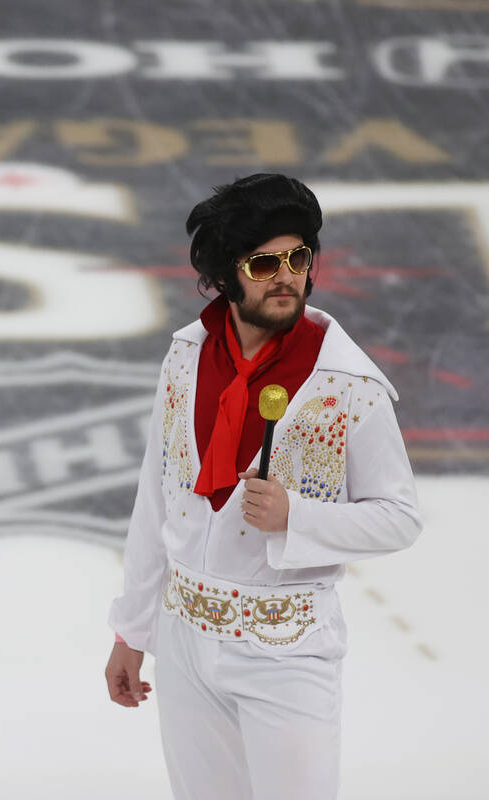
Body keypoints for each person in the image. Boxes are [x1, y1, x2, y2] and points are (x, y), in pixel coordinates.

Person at [104, 173, 421, 800]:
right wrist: (132, 632)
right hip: (185, 637)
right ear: (227, 274)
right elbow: (156, 500)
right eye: (263, 262)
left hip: (287, 650)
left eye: (298, 258)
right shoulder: (186, 357)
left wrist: (297, 517)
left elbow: (400, 516)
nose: (286, 276)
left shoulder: (347, 384)